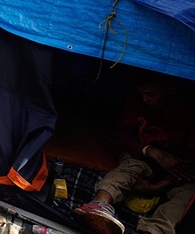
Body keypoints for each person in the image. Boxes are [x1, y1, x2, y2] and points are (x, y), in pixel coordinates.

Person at [73, 75, 195, 234]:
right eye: (142, 94)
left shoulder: (189, 112)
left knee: (187, 195)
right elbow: (122, 134)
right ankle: (98, 205)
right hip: (143, 156)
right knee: (130, 168)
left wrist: (160, 186)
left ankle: (152, 231)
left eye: (151, 95)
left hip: (178, 170)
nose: (145, 99)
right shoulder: (136, 101)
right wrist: (149, 150)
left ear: (170, 91)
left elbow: (192, 159)